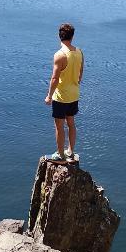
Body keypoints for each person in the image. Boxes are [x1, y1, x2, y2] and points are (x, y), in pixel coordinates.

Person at [44, 23, 84, 162]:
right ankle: (70, 152)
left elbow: (55, 78)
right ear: (72, 36)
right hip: (74, 94)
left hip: (61, 97)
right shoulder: (79, 52)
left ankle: (60, 154)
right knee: (71, 123)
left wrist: (49, 96)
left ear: (59, 36)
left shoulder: (59, 55)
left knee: (59, 126)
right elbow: (80, 74)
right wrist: (74, 84)